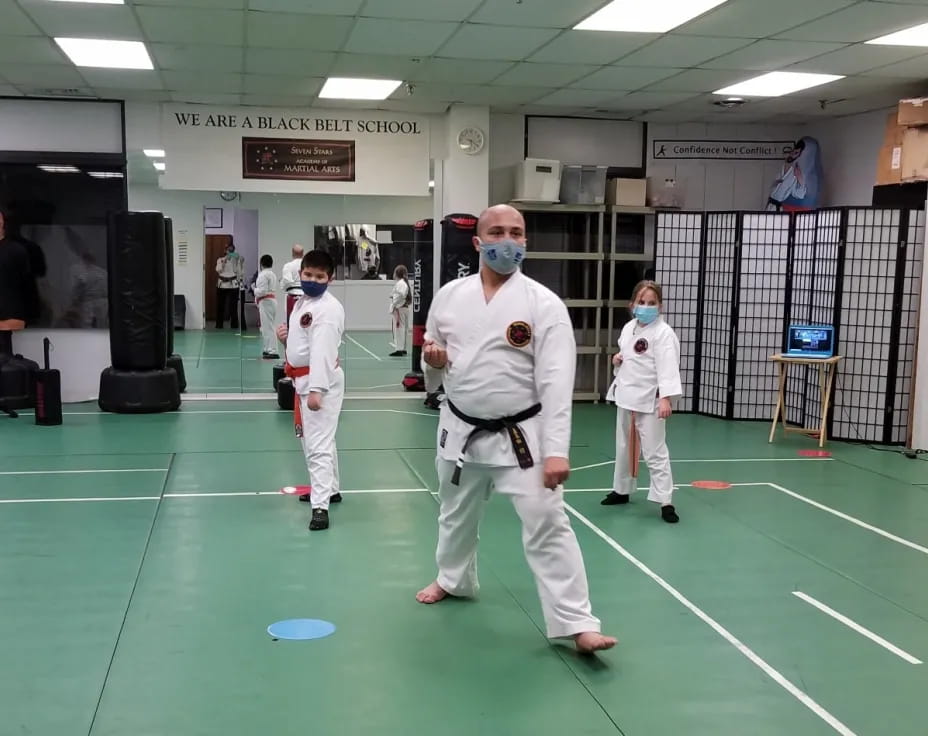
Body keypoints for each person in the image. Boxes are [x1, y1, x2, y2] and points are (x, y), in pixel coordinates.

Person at [415, 203, 616, 655]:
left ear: (525, 242)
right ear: (478, 241)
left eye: (517, 233)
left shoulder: (543, 304)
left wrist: (557, 450)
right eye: (498, 232)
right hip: (460, 428)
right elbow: (435, 345)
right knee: (454, 514)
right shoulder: (450, 295)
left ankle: (577, 622)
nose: (509, 240)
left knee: (548, 522)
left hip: (522, 437)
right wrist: (434, 360)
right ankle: (453, 579)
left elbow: (556, 383)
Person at [601, 280, 682, 524]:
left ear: (660, 307)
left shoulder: (664, 333)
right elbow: (628, 358)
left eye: (651, 303)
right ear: (632, 305)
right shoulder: (628, 328)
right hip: (626, 394)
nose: (646, 307)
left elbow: (667, 368)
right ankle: (622, 489)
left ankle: (666, 501)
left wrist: (666, 398)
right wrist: (617, 361)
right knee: (624, 446)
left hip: (652, 399)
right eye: (642, 302)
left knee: (655, 451)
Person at [276, 250, 345, 531]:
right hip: (304, 379)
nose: (312, 280)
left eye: (319, 276)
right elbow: (303, 345)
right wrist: (286, 340)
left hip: (319, 381)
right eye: (308, 275)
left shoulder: (327, 310)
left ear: (330, 278)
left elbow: (322, 352)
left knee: (317, 445)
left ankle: (321, 507)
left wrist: (317, 389)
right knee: (321, 440)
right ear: (300, 273)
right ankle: (331, 489)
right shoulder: (303, 302)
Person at [254, 254, 279, 359]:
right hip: (270, 301)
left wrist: (254, 289)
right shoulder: (272, 274)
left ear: (261, 264)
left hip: (266, 301)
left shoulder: (263, 275)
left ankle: (273, 350)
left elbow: (262, 291)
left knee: (268, 327)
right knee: (266, 326)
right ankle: (267, 348)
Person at [215, 240, 244, 329]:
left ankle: (234, 325)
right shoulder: (220, 259)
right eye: (228, 250)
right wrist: (224, 261)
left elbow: (239, 272)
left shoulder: (236, 259)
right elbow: (218, 270)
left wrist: (240, 261)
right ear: (225, 251)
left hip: (233, 284)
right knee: (220, 305)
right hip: (222, 285)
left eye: (231, 251)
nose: (230, 252)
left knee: (233, 306)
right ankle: (219, 325)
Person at [389, 264, 411, 357]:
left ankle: (399, 349)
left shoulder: (401, 283)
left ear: (397, 273)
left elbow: (401, 295)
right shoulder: (403, 283)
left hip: (400, 308)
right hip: (403, 308)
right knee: (404, 328)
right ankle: (403, 348)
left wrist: (394, 303)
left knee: (399, 329)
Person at [280, 244, 304, 323]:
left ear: (292, 253)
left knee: (291, 321)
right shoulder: (307, 266)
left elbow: (287, 281)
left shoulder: (288, 266)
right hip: (305, 296)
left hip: (292, 296)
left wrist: (282, 284)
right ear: (303, 253)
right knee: (305, 321)